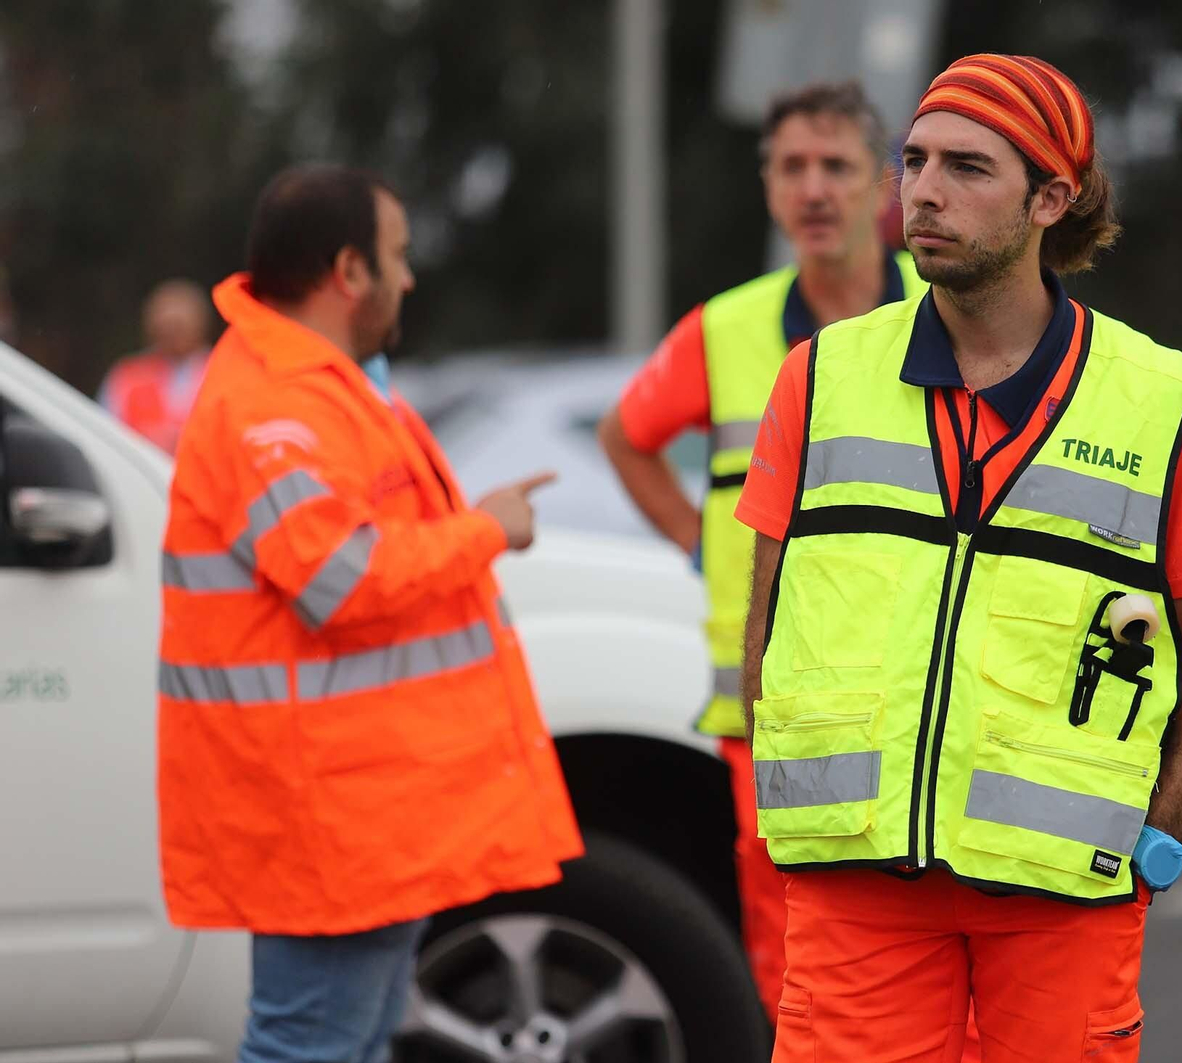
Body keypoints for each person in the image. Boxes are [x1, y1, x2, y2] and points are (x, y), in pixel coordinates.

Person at [737, 54, 1182, 1062]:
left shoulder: (1161, 401)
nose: (923, 192)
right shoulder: (818, 379)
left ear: (1050, 199)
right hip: (856, 890)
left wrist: (1156, 838)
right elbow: (764, 621)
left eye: (968, 168)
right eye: (914, 160)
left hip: (1062, 896)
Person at [157, 164, 582, 1063]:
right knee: (312, 1043)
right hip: (328, 817)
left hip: (359, 811)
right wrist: (484, 530)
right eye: (398, 254)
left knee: (349, 1041)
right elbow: (340, 577)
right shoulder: (274, 402)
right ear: (349, 271)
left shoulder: (311, 385)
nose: (411, 276)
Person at [596, 80, 929, 1022]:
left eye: (836, 167)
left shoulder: (948, 314)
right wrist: (697, 540)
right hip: (773, 706)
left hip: (924, 695)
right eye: (792, 167)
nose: (813, 189)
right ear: (770, 187)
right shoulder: (727, 328)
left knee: (930, 947)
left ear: (882, 190)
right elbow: (626, 435)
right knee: (796, 956)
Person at [99, 278, 214, 453]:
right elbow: (104, 435)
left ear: (201, 323)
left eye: (179, 326)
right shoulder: (127, 376)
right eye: (166, 326)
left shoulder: (224, 371)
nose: (173, 335)